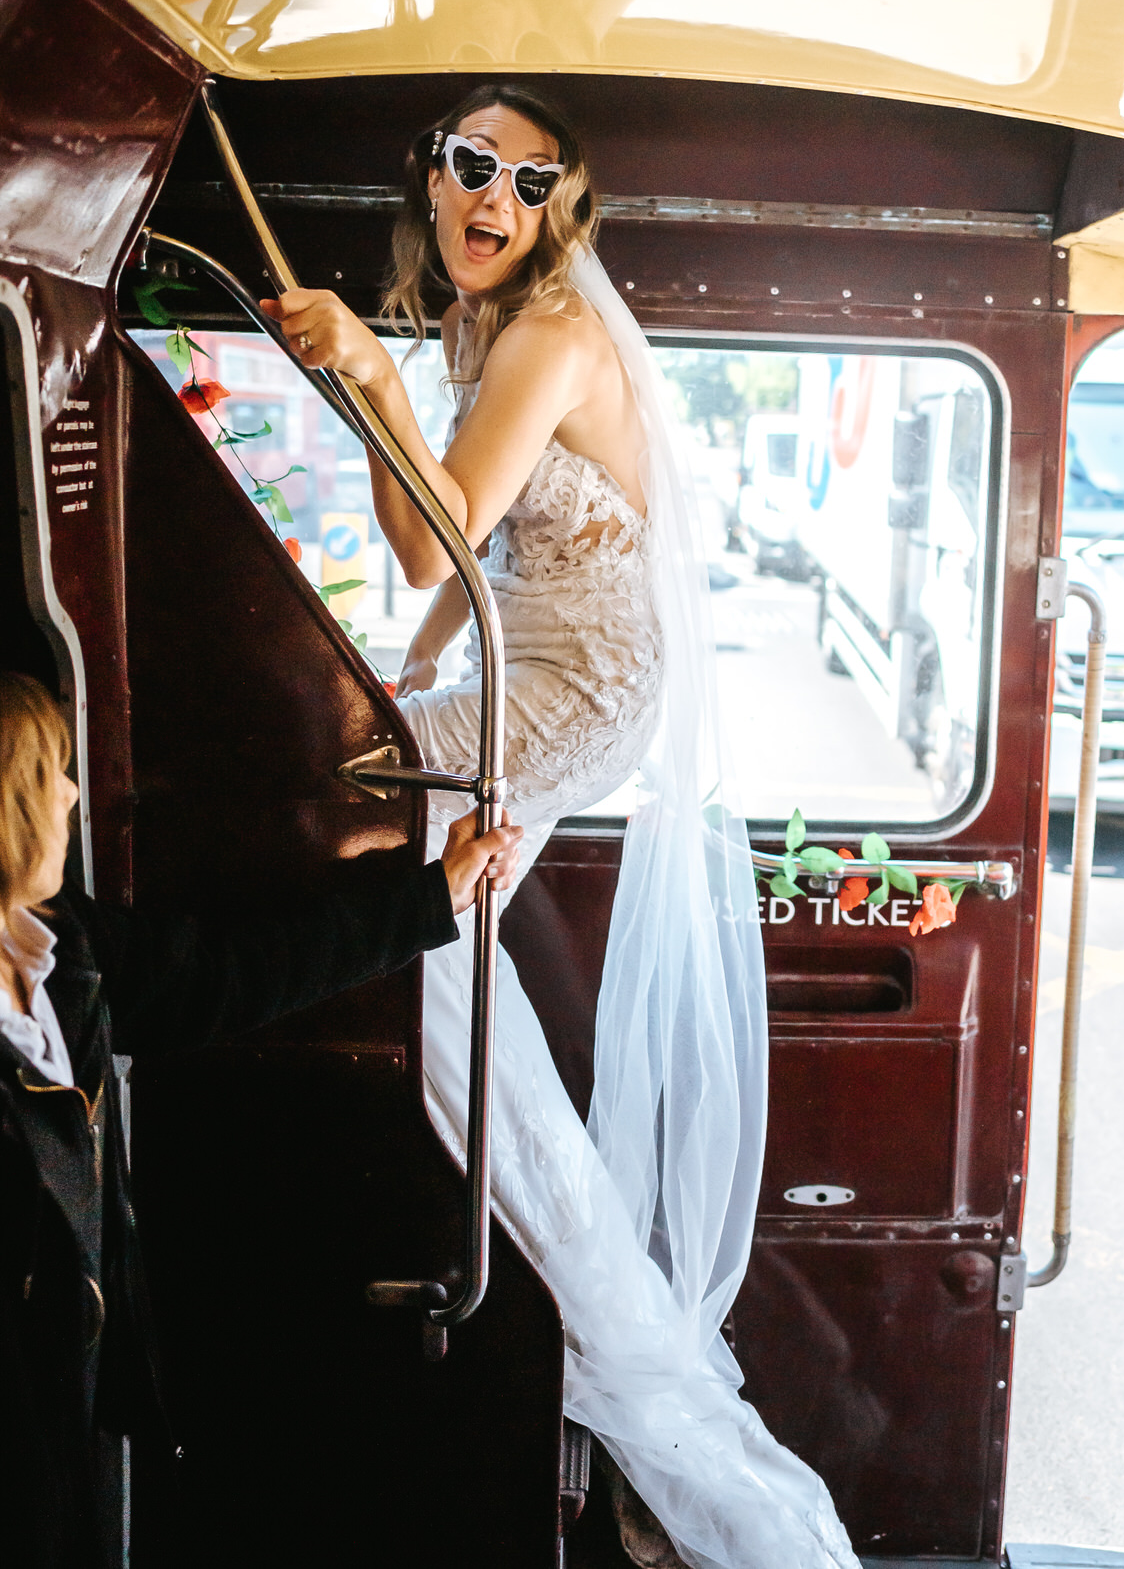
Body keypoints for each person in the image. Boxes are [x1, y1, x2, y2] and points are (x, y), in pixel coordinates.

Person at [262, 84, 860, 1569]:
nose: (494, 201)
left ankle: (528, 1222)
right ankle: (469, 1116)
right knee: (383, 813)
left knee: (338, 808)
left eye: (531, 184)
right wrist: (408, 671)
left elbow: (426, 540)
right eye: (471, 168)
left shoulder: (545, 333)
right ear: (436, 176)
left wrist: (364, 376)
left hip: (588, 682)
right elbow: (457, 580)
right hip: (540, 659)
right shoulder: (498, 327)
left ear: (561, 210)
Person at [0, 668, 521, 1569]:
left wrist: (432, 897)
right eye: (51, 775)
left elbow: (226, 974)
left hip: (74, 1390)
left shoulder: (56, 938)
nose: (76, 794)